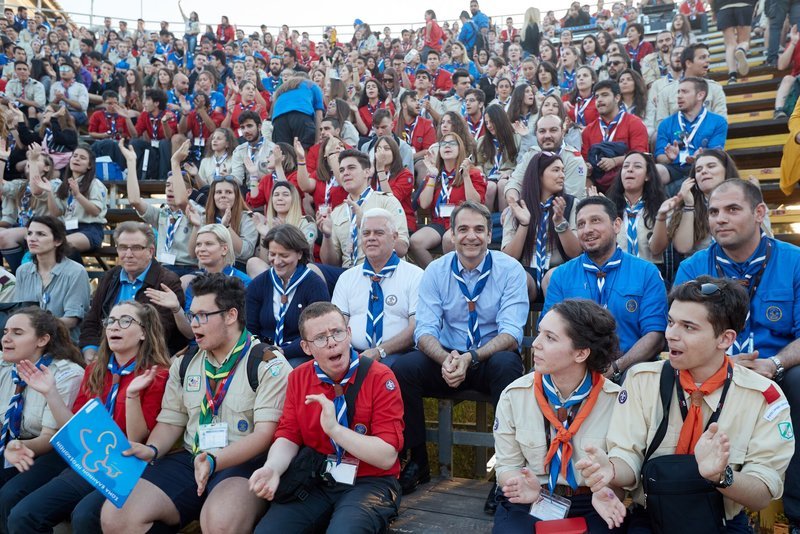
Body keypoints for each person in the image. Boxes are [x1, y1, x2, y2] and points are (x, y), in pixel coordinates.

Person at [577, 276, 794, 532]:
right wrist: (611, 471)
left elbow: (762, 493)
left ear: (725, 339)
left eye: (688, 327)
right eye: (670, 322)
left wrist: (721, 476)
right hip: (650, 518)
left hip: (722, 522)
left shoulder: (763, 396)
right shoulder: (642, 380)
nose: (671, 335)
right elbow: (627, 455)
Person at [100, 274, 290, 534]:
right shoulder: (186, 362)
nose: (194, 324)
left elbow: (265, 435)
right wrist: (153, 449)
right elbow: (171, 420)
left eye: (202, 316)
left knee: (221, 522)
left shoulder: (268, 363)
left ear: (231, 316)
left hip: (242, 460)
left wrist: (214, 460)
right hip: (193, 455)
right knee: (115, 515)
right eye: (192, 316)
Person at [672, 179, 800, 531]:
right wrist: (724, 365)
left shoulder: (793, 261)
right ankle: (678, 500)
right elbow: (680, 332)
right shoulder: (693, 268)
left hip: (776, 369)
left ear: (760, 213)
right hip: (710, 368)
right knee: (663, 377)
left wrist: (773, 363)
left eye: (732, 209)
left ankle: (797, 512)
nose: (720, 219)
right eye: (713, 211)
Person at [392, 201, 528, 494]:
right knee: (403, 368)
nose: (471, 236)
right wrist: (445, 359)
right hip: (448, 358)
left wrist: (472, 357)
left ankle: (507, 471)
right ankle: (417, 461)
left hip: (487, 358)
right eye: (463, 229)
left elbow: (512, 333)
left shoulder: (509, 270)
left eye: (479, 229)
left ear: (490, 235)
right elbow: (425, 331)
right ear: (451, 235)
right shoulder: (436, 271)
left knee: (508, 364)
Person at [0, 301, 170, 534]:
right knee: (23, 515)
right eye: (110, 321)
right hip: (89, 456)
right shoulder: (96, 369)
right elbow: (75, 427)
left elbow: (138, 438)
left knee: (85, 516)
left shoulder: (157, 374)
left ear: (143, 332)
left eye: (125, 321)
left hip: (125, 464)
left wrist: (132, 396)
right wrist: (50, 392)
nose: (114, 327)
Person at [249, 301, 404, 533]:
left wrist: (335, 430)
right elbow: (288, 435)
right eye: (320, 338)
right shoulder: (299, 377)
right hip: (319, 479)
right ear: (306, 347)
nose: (332, 342)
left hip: (370, 481)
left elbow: (386, 457)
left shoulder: (381, 377)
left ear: (349, 333)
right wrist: (273, 468)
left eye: (337, 333)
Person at [493, 299, 622, 533]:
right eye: (539, 333)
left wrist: (610, 489)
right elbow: (507, 465)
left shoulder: (615, 401)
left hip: (593, 500)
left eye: (550, 338)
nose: (536, 344)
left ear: (581, 353)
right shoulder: (514, 396)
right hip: (532, 495)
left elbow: (623, 470)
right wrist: (520, 485)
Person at [543, 196, 667, 382]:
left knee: (638, 380)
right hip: (571, 370)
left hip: (628, 371)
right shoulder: (561, 275)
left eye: (596, 220)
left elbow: (655, 336)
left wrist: (617, 367)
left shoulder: (646, 273)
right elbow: (549, 331)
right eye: (581, 224)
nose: (587, 230)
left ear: (617, 225)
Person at [0, 307, 84, 490]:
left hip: (47, 451)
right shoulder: (5, 366)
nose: (6, 338)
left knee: (8, 494)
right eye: (5, 332)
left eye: (17, 333)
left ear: (42, 340)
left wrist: (17, 445)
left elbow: (49, 438)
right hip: (9, 444)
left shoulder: (66, 374)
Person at [78, 221, 186, 360]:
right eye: (123, 247)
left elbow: (161, 332)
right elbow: (92, 320)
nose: (128, 254)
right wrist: (90, 350)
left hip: (148, 359)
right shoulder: (110, 277)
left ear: (150, 251)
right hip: (107, 355)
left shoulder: (167, 281)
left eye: (136, 248)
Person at [332, 208, 423, 367]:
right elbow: (337, 325)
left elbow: (416, 327)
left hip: (397, 355)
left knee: (382, 371)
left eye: (378, 233)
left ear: (394, 237)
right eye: (366, 233)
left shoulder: (415, 275)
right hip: (353, 353)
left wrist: (380, 350)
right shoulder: (346, 278)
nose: (371, 238)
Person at [245, 224, 330, 367]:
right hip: (263, 353)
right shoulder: (258, 284)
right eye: (272, 254)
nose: (277, 261)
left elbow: (318, 331)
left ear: (299, 254)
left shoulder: (314, 285)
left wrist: (284, 351)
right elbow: (250, 329)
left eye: (284, 255)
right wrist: (262, 351)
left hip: (301, 353)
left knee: (288, 372)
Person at [502, 152, 581, 302]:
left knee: (552, 278)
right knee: (519, 279)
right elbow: (508, 258)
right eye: (556, 170)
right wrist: (524, 225)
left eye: (563, 170)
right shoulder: (518, 206)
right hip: (526, 271)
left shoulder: (571, 204)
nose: (562, 175)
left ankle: (551, 325)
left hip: (557, 270)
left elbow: (575, 253)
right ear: (539, 174)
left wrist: (560, 223)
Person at [318, 149, 409, 269]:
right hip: (349, 274)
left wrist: (365, 225)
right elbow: (330, 263)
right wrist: (327, 236)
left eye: (351, 168)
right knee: (314, 269)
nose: (345, 173)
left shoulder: (386, 201)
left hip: (382, 270)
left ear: (367, 172)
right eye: (341, 170)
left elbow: (402, 249)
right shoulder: (337, 212)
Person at [409, 133, 487, 268]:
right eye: (443, 144)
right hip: (439, 221)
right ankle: (436, 274)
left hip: (463, 221)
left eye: (452, 144)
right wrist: (432, 176)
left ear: (460, 149)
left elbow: (476, 203)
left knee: (448, 239)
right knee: (415, 241)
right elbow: (424, 203)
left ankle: (454, 275)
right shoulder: (435, 173)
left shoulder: (473, 172)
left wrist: (466, 176)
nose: (447, 147)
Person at [14, 216, 90, 341]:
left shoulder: (76, 272)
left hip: (63, 344)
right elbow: (19, 312)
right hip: (29, 343)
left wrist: (35, 328)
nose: (32, 238)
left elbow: (71, 320)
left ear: (58, 241)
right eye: (29, 233)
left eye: (41, 234)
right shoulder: (22, 271)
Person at [655, 78, 728, 196]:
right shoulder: (666, 123)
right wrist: (669, 158)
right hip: (674, 167)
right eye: (678, 92)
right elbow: (660, 157)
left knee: (707, 172)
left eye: (684, 92)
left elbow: (716, 153)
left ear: (700, 95)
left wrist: (701, 156)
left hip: (701, 167)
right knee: (654, 171)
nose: (679, 96)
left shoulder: (718, 122)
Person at [32, 144, 107, 255]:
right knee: (44, 244)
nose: (77, 159)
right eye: (75, 156)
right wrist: (49, 192)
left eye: (82, 158)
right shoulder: (65, 185)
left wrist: (78, 195)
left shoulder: (94, 183)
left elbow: (95, 211)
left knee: (60, 245)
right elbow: (55, 212)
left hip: (90, 230)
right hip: (67, 229)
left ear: (89, 166)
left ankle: (76, 272)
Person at [581, 80, 648, 192]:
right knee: (583, 180)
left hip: (626, 178)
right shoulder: (588, 130)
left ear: (617, 98)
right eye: (597, 97)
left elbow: (641, 155)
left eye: (605, 95)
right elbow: (584, 158)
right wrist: (587, 166)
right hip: (597, 180)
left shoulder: (634, 123)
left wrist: (614, 161)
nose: (600, 100)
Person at [508, 114, 589, 203]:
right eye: (542, 131)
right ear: (536, 134)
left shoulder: (574, 159)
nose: (547, 136)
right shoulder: (531, 154)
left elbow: (570, 198)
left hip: (562, 211)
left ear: (562, 132)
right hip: (530, 207)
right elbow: (515, 182)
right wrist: (514, 203)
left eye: (553, 130)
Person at [607, 152, 669, 267]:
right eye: (625, 166)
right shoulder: (609, 208)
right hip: (615, 273)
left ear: (647, 176)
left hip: (649, 275)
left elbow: (657, 250)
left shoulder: (661, 207)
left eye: (637, 166)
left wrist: (661, 216)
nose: (629, 170)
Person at [655, 44, 728, 125]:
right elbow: (662, 126)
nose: (708, 60)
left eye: (708, 56)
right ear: (689, 63)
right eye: (702, 57)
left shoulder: (715, 89)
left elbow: (721, 122)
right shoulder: (666, 92)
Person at [194, 176, 259, 265]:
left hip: (236, 266)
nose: (223, 195)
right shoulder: (205, 217)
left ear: (236, 196)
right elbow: (193, 254)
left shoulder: (247, 218)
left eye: (228, 192)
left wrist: (226, 227)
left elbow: (246, 253)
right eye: (218, 192)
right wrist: (196, 226)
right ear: (213, 196)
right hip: (210, 266)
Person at [476, 104, 522, 212]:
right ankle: (486, 222)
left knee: (503, 184)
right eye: (486, 123)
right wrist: (480, 171)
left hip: (508, 177)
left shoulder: (517, 138)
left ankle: (505, 222)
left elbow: (521, 164)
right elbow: (478, 163)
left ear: (500, 120)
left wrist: (510, 172)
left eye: (492, 121)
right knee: (490, 187)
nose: (489, 126)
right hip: (488, 177)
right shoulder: (482, 141)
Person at [372, 135, 417, 233]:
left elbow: (392, 201)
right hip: (376, 221)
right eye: (379, 149)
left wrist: (380, 170)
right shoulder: (371, 173)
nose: (382, 152)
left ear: (395, 153)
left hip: (400, 220)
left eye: (387, 149)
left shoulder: (405, 174)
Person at [271, 71, 324, 148]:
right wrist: (317, 142)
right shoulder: (312, 85)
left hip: (278, 118)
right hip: (301, 115)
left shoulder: (282, 88)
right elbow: (319, 115)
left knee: (284, 151)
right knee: (304, 148)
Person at [230, 111, 272, 187]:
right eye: (242, 127)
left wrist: (255, 175)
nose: (246, 131)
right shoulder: (239, 150)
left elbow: (275, 178)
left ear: (259, 127)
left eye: (249, 126)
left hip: (267, 191)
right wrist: (227, 178)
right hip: (248, 192)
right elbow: (237, 178)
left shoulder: (272, 149)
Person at [716, 0, 753, 83]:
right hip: (744, 5)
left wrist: (713, 10)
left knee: (730, 44)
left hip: (723, 7)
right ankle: (741, 49)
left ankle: (732, 76)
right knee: (744, 40)